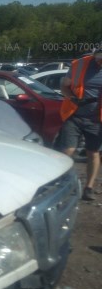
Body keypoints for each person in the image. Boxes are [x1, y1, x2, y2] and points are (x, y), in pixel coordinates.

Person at [58, 47, 102, 201]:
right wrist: (72, 98)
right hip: (74, 115)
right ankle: (60, 183)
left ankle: (88, 188)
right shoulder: (79, 65)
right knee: (68, 150)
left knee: (93, 152)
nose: (99, 61)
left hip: (97, 120)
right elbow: (64, 85)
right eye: (98, 57)